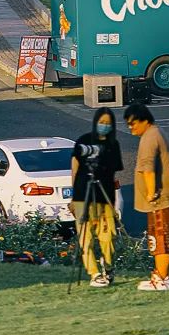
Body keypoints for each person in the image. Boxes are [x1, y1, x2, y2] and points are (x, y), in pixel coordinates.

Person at [124, 103, 169, 292]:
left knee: (161, 239)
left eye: (133, 123)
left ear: (144, 120)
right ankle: (159, 275)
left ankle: (161, 279)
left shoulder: (150, 137)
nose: (131, 127)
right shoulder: (155, 133)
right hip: (166, 197)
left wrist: (151, 192)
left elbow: (147, 168)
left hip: (161, 199)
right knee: (158, 239)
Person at [70, 107, 123, 288]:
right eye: (102, 122)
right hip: (82, 195)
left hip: (104, 196)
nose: (104, 126)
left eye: (108, 123)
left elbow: (114, 173)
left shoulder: (113, 144)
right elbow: (75, 168)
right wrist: (72, 196)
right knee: (86, 238)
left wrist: (114, 201)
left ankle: (108, 268)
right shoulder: (83, 141)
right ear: (95, 122)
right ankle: (94, 273)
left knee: (108, 237)